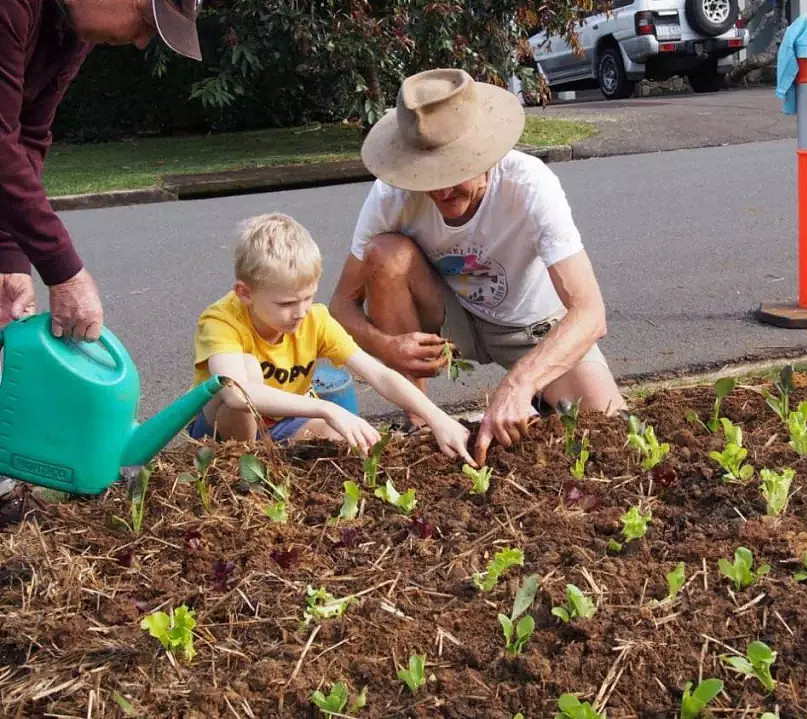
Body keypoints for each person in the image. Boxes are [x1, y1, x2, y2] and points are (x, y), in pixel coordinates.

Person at [329, 68, 625, 465]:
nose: (441, 190)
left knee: (611, 430)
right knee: (386, 254)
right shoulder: (391, 195)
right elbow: (340, 307)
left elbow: (591, 314)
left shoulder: (530, 184)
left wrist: (518, 384)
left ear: (483, 152)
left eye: (453, 171)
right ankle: (419, 421)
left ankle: (539, 398)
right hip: (449, 320)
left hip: (532, 328)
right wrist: (386, 345)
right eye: (428, 176)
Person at [188, 213, 475, 464]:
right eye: (287, 304)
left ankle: (272, 461)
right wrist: (326, 408)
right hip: (221, 430)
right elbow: (236, 394)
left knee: (345, 441)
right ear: (246, 293)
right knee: (246, 374)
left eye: (308, 297)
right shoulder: (221, 320)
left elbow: (379, 374)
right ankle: (244, 470)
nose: (300, 313)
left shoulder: (314, 319)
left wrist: (437, 417)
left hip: (283, 423)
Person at [1, 0, 203, 342]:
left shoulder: (73, 31)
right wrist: (64, 271)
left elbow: (29, 134)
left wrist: (9, 259)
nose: (141, 42)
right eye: (144, 20)